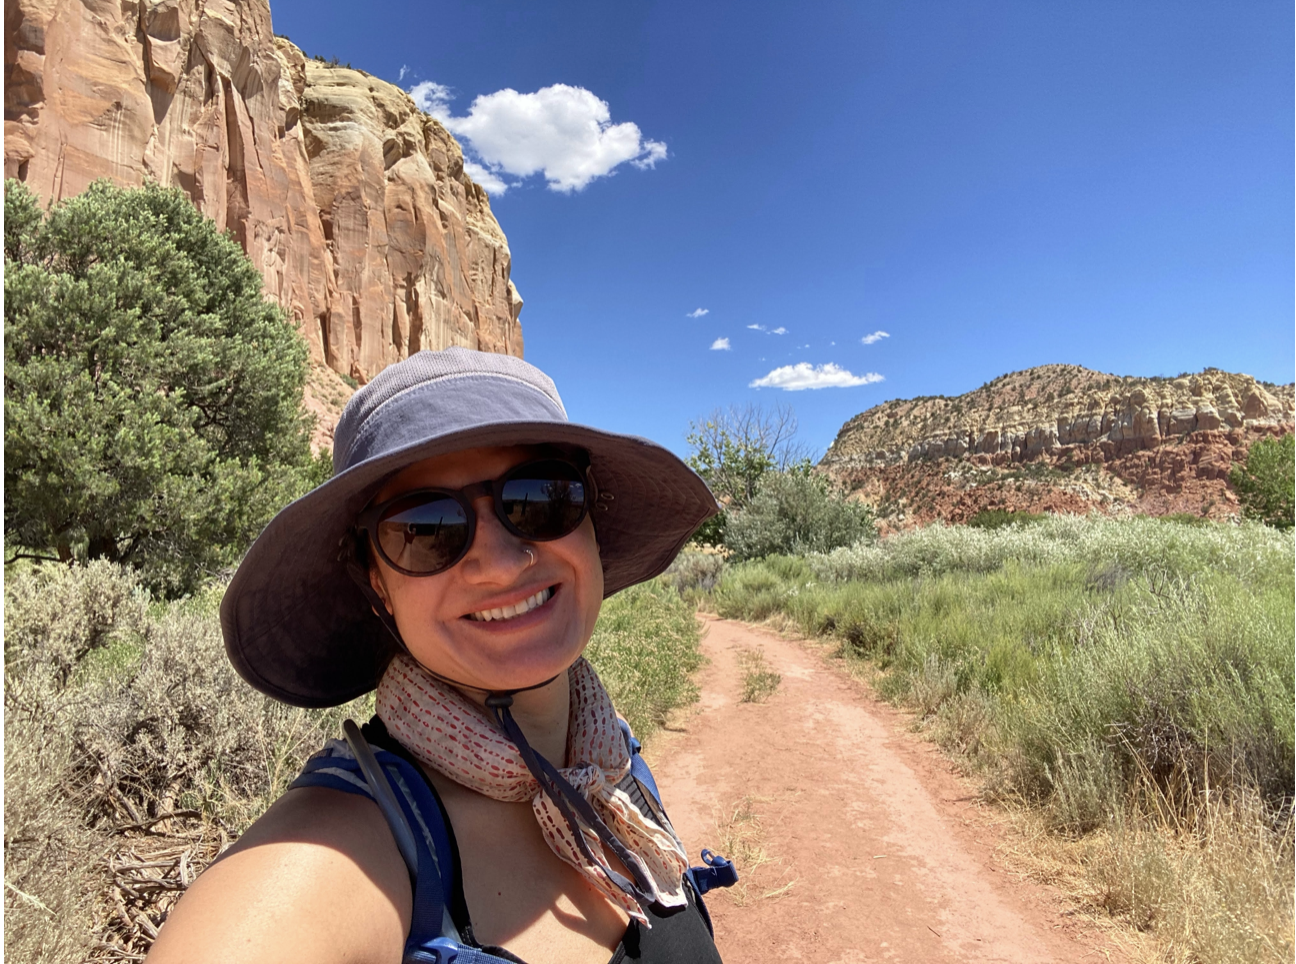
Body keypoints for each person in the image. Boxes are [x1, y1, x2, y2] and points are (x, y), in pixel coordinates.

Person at [146, 347, 726, 964]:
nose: (502, 563)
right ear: (377, 585)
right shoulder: (341, 854)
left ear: (589, 520)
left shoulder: (610, 760)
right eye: (426, 528)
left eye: (540, 498)